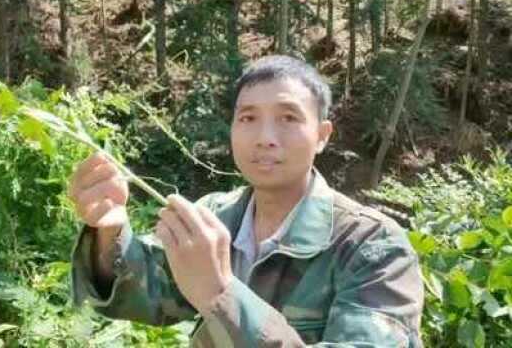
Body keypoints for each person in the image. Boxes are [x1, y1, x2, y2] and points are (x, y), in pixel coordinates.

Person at [69, 55, 424, 347]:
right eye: (248, 118)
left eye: (288, 118)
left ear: (321, 135)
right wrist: (110, 229)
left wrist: (219, 293)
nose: (265, 138)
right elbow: (148, 296)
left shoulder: (372, 247)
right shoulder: (216, 216)